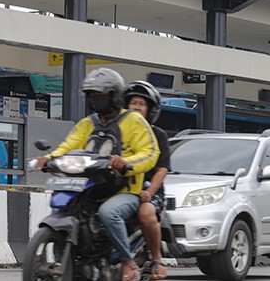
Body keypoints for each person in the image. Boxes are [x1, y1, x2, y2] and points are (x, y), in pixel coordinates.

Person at [31, 68, 159, 281]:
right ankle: (67, 260)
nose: (96, 100)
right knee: (61, 205)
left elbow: (150, 153)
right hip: (89, 186)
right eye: (92, 96)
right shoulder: (87, 123)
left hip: (125, 190)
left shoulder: (133, 120)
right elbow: (68, 146)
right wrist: (48, 158)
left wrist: (125, 163)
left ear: (115, 96)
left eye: (100, 95)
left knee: (109, 213)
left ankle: (127, 261)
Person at [124, 80, 171, 280]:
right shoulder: (118, 129)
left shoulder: (157, 135)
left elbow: (162, 169)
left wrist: (150, 192)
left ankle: (156, 259)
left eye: (141, 104)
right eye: (133, 102)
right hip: (120, 187)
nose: (136, 107)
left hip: (148, 190)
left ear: (150, 110)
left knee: (146, 213)